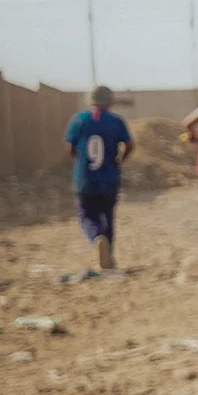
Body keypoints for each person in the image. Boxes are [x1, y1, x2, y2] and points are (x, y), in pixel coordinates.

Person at [63, 85, 132, 272]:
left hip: (85, 179)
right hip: (109, 177)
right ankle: (108, 256)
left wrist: (80, 161)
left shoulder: (79, 119)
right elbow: (129, 144)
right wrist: (119, 159)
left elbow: (70, 147)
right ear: (110, 101)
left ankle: (96, 237)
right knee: (108, 216)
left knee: (86, 215)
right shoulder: (116, 121)